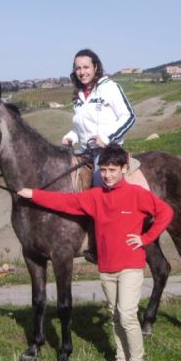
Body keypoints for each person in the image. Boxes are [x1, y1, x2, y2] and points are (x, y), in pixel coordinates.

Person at [17, 143, 173, 361]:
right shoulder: (95, 197)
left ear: (124, 168)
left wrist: (146, 238)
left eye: (113, 169)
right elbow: (64, 202)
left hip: (130, 266)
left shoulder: (136, 194)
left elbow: (165, 212)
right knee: (114, 315)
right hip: (107, 267)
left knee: (128, 315)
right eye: (104, 170)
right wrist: (33, 194)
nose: (108, 175)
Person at [63, 49, 150, 263]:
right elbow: (81, 128)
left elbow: (129, 116)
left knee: (98, 185)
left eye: (86, 67)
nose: (82, 72)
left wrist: (107, 136)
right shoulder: (79, 96)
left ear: (95, 67)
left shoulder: (109, 88)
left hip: (109, 150)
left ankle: (102, 243)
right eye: (78, 68)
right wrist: (71, 136)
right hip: (86, 151)